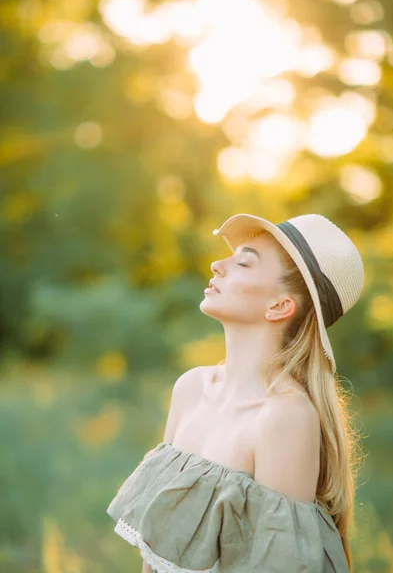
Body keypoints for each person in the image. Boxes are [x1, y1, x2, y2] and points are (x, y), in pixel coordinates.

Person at [106, 212, 365, 573]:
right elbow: (154, 555)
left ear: (279, 306)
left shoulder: (284, 418)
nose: (216, 264)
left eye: (244, 261)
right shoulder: (191, 388)